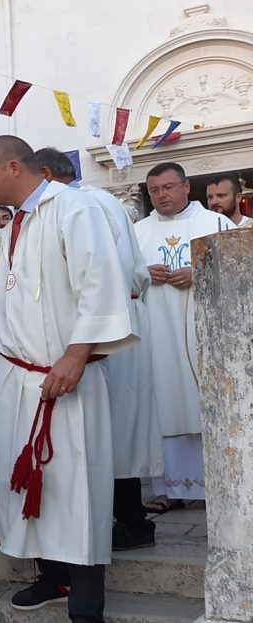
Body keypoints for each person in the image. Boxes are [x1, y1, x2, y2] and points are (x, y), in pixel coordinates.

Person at [0, 135, 135, 622]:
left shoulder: (74, 209)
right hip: (16, 380)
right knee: (30, 488)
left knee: (76, 493)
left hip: (62, 381)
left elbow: (101, 282)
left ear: (13, 167)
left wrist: (76, 353)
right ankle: (51, 576)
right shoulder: (13, 228)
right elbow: (10, 301)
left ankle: (87, 608)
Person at [36, 147, 163, 549]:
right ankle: (127, 518)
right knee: (117, 429)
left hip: (107, 327)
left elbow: (99, 275)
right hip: (113, 321)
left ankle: (126, 521)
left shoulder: (80, 204)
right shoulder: (99, 201)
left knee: (112, 430)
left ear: (45, 175)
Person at [135, 162, 233, 512]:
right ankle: (170, 489)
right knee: (163, 404)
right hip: (156, 336)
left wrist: (201, 271)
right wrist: (143, 274)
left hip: (204, 333)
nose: (162, 195)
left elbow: (239, 274)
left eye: (168, 187)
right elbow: (124, 278)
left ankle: (218, 486)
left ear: (186, 186)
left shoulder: (217, 224)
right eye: (155, 190)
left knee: (205, 401)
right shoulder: (138, 231)